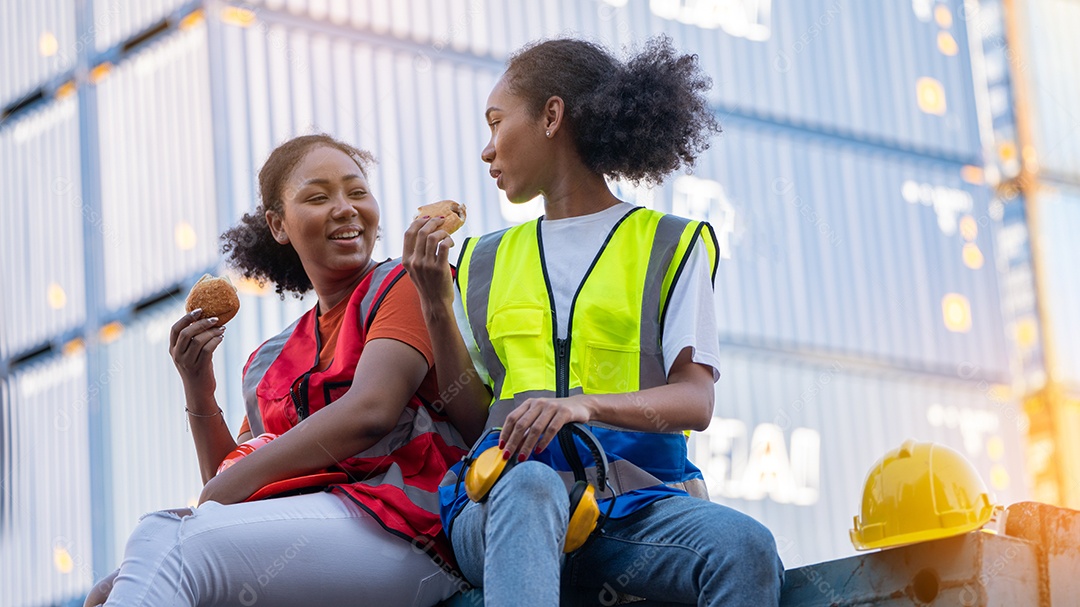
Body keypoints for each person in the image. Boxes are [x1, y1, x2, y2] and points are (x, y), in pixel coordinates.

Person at [403, 37, 784, 605]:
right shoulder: (480, 260)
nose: (487, 151)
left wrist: (584, 405)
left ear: (552, 116)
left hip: (633, 515)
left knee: (746, 545)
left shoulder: (672, 244)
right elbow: (476, 414)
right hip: (505, 514)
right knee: (530, 484)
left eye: (496, 122)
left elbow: (696, 403)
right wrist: (434, 304)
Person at [87, 134, 470, 607]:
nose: (346, 208)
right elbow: (236, 483)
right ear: (278, 224)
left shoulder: (408, 281)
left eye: (356, 192)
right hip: (312, 535)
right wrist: (200, 391)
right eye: (317, 196)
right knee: (107, 591)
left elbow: (373, 410)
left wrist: (227, 486)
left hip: (409, 528)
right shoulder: (269, 359)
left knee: (165, 539)